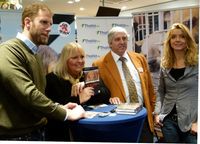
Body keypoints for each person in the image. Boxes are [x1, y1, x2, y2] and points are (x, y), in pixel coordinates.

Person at [0, 3, 86, 141]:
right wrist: (65, 113)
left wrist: (59, 107)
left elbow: (38, 95)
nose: (49, 29)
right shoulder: (8, 51)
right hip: (16, 138)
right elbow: (29, 94)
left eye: (50, 24)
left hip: (37, 133)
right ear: (27, 22)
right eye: (44, 22)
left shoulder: (35, 55)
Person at [92, 26, 156, 142]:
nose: (122, 42)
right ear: (110, 43)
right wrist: (109, 99)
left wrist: (153, 111)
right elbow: (97, 96)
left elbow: (150, 88)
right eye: (117, 39)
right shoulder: (99, 65)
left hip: (144, 119)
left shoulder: (140, 58)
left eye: (124, 38)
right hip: (120, 121)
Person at [45, 42, 110, 141]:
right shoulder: (52, 79)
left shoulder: (88, 74)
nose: (80, 61)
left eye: (82, 57)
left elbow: (106, 94)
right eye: (75, 57)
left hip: (90, 131)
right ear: (64, 60)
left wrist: (88, 85)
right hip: (64, 135)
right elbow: (54, 109)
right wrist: (78, 99)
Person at [153, 23, 198, 143]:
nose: (177, 40)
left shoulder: (197, 63)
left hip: (191, 121)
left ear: (187, 40)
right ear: (169, 41)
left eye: (182, 36)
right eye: (173, 37)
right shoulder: (165, 64)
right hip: (168, 121)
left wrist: (197, 122)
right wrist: (157, 113)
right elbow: (161, 91)